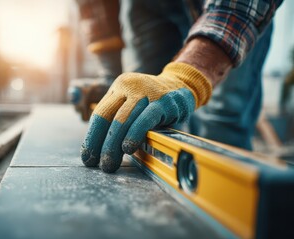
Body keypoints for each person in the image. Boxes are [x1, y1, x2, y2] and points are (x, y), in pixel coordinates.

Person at [75, 0, 283, 173]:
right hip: (144, 5)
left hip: (232, 8)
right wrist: (111, 72)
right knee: (141, 111)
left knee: (220, 121)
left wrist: (188, 77)